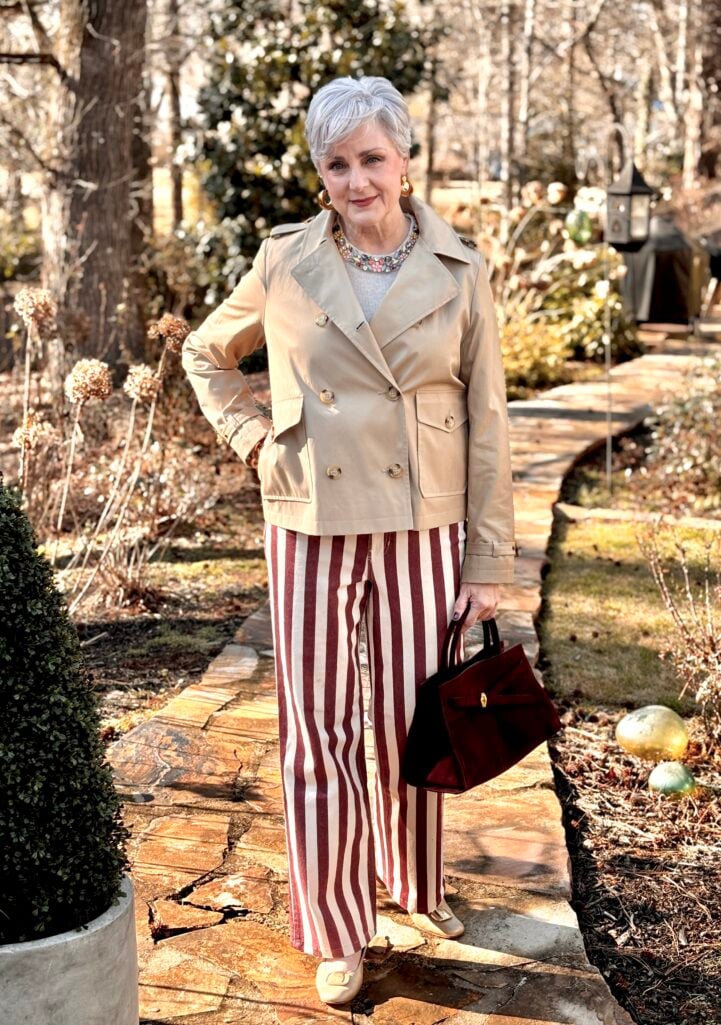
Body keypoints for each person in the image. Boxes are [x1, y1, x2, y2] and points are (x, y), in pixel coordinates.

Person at [182, 75, 518, 1006]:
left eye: (372, 157)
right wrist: (254, 439)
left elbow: (489, 422)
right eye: (337, 163)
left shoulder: (460, 270)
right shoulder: (284, 260)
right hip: (311, 521)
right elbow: (206, 354)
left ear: (404, 160)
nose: (356, 179)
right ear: (320, 173)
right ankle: (334, 922)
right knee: (318, 730)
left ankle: (413, 880)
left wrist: (489, 561)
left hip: (424, 523)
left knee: (414, 716)